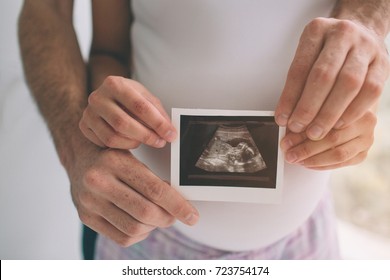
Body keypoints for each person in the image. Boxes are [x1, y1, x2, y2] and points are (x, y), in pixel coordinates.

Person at [18, 0, 390, 259]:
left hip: (305, 239)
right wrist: (85, 141)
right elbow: (102, 48)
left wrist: (367, 29)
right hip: (144, 235)